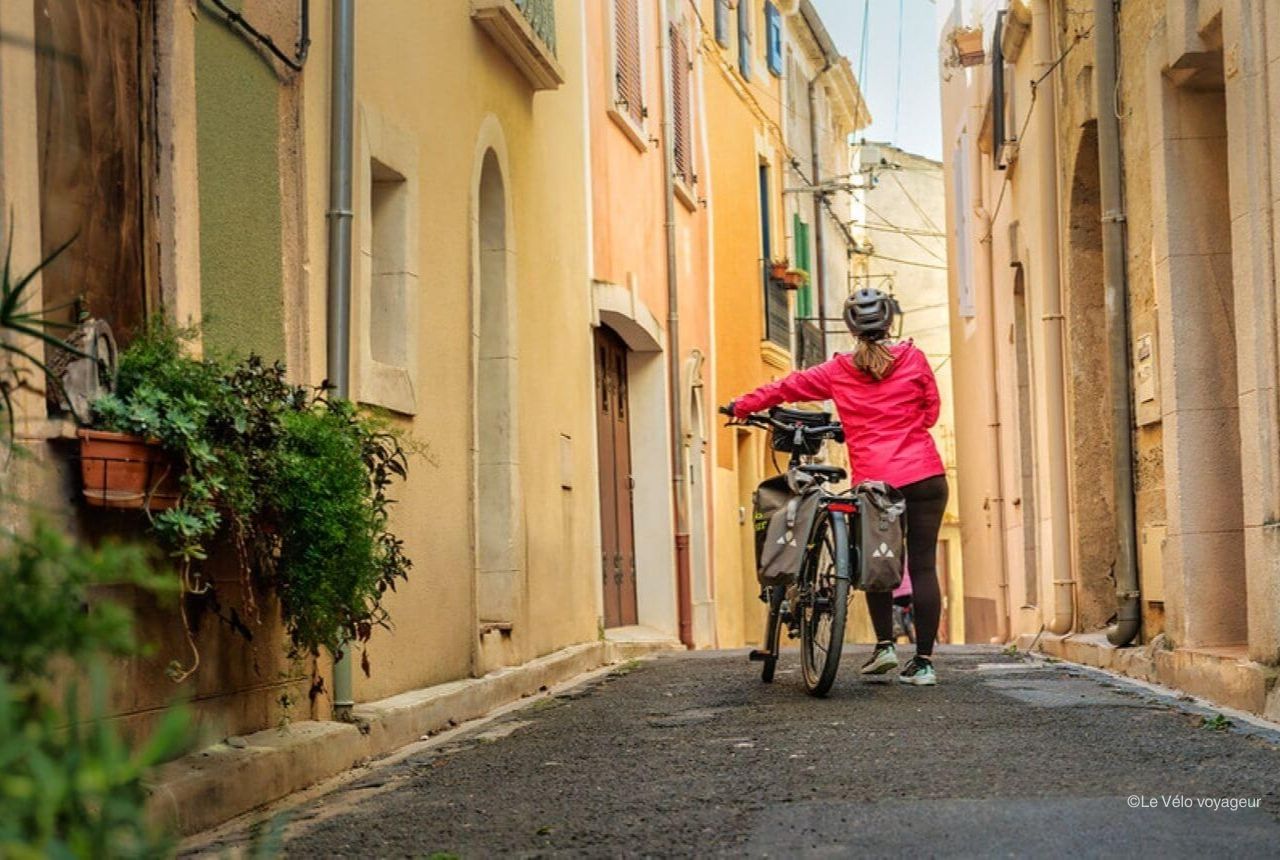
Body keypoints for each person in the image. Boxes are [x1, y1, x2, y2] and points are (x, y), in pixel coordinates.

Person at [724, 287, 948, 686]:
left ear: (850, 327)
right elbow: (931, 412)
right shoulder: (913, 358)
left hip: (878, 482)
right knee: (924, 565)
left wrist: (742, 405)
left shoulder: (838, 369)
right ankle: (925, 663)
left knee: (877, 562)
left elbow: (784, 388)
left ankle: (884, 648)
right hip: (925, 475)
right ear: (890, 320)